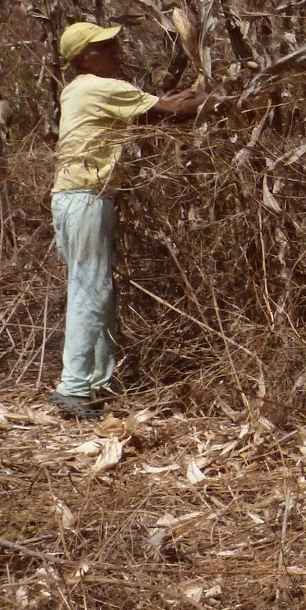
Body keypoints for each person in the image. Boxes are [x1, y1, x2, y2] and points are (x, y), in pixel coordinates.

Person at [48, 21, 205, 417]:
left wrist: (188, 95)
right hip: (87, 198)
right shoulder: (102, 88)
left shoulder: (78, 89)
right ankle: (73, 389)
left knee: (94, 289)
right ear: (86, 56)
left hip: (70, 197)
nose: (117, 51)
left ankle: (98, 382)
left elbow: (157, 109)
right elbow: (173, 112)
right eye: (106, 46)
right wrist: (224, 94)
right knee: (91, 290)